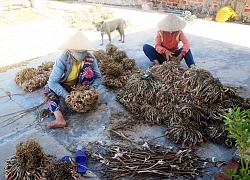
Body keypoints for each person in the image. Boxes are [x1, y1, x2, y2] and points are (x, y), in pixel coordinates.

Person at [43, 31, 102, 128]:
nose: (82, 54)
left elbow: (98, 77)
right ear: (70, 50)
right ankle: (59, 118)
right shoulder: (63, 60)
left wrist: (89, 90)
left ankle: (84, 93)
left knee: (88, 72)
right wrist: (68, 96)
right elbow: (52, 82)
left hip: (82, 85)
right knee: (48, 89)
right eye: (78, 52)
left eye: (84, 51)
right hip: (66, 86)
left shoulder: (90, 58)